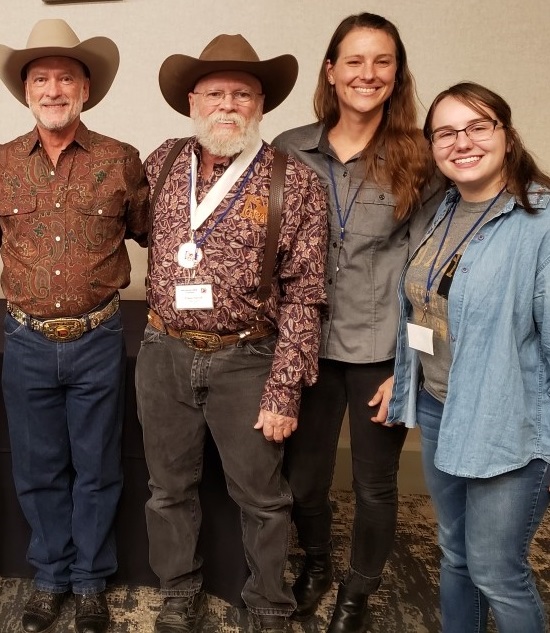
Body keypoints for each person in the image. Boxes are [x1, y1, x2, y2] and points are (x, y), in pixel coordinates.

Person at [136, 34, 328, 633]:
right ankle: (177, 592)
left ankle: (269, 605)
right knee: (167, 490)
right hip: (162, 350)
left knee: (262, 498)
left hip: (248, 359)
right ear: (192, 100)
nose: (227, 103)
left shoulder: (294, 182)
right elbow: (143, 235)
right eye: (214, 91)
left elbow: (306, 294)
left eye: (241, 93)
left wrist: (284, 390)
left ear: (261, 103)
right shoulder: (161, 161)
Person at [272, 12, 439, 632]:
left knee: (374, 486)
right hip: (304, 346)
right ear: (331, 70)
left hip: (381, 349)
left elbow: (429, 268)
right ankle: (315, 563)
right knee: (303, 478)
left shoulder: (422, 157)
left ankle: (358, 592)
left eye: (383, 62)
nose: (368, 74)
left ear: (397, 74)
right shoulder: (289, 149)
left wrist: (410, 366)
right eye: (355, 61)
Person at [0, 19, 149, 633]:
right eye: (42, 78)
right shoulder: (3, 163)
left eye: (66, 77)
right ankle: (49, 576)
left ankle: (90, 583)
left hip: (97, 338)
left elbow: (163, 239)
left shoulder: (120, 160)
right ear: (26, 91)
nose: (54, 89)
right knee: (38, 470)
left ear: (86, 89)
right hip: (24, 339)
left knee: (97, 466)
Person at [388, 81, 550, 633]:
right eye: (447, 132)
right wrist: (403, 378)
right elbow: (428, 306)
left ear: (506, 134)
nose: (463, 142)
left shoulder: (541, 223)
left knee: (496, 569)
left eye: (478, 126)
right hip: (440, 408)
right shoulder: (446, 208)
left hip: (508, 422)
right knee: (455, 553)